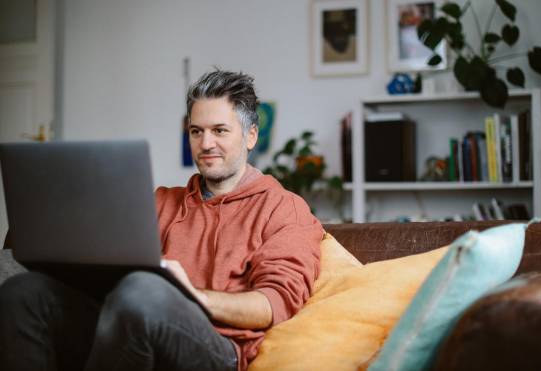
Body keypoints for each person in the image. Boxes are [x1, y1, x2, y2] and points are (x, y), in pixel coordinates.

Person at [0, 69, 323, 371]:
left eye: (220, 131)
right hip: (127, 326)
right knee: (25, 292)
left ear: (251, 136)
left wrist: (192, 296)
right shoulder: (158, 200)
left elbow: (274, 304)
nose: (206, 144)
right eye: (197, 132)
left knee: (144, 290)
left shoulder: (283, 207)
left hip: (216, 347)